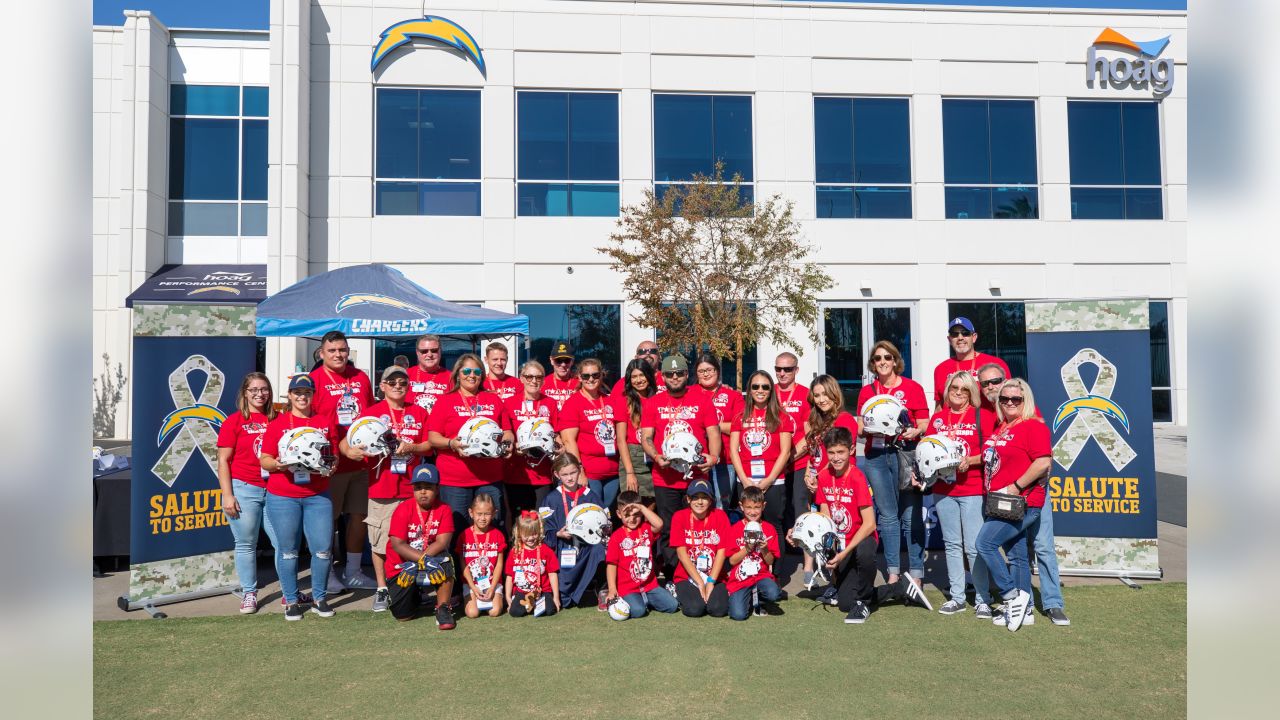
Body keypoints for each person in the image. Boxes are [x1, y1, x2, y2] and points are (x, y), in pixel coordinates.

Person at [802, 427, 930, 623]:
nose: (836, 458)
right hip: (842, 543)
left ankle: (863, 603)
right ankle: (900, 587)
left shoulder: (857, 478)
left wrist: (843, 553)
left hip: (861, 540)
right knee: (845, 604)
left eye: (841, 452)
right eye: (832, 452)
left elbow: (869, 525)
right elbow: (825, 517)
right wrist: (801, 533)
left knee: (864, 551)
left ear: (852, 450)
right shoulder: (824, 476)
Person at [976, 365, 1068, 625]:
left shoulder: (1032, 425)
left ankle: (1015, 597)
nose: (1008, 402)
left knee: (986, 543)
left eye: (1015, 399)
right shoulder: (1001, 427)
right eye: (1005, 399)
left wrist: (1015, 487)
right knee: (1016, 553)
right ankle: (1024, 609)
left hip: (1022, 500)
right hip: (1001, 501)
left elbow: (1042, 463)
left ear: (1025, 400)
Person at [258, 374, 354, 621]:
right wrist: (280, 464)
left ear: (313, 395)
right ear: (289, 396)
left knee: (322, 549)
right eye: (297, 392)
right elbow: (265, 459)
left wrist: (331, 466)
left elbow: (333, 454)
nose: (302, 396)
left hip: (317, 495)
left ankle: (319, 598)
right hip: (284, 495)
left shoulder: (324, 421)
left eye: (307, 392)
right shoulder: (278, 424)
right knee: (288, 551)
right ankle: (291, 600)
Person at [342, 365, 430, 613]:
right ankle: (382, 588)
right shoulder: (371, 413)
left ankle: (411, 585)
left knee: (414, 540)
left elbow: (429, 445)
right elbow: (349, 441)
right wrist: (351, 451)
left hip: (412, 488)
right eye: (392, 382)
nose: (398, 386)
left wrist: (411, 447)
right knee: (381, 542)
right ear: (382, 386)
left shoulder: (419, 412)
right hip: (381, 487)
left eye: (403, 382)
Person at [855, 340, 930, 595]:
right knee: (887, 516)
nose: (883, 362)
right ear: (872, 364)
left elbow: (924, 423)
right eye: (877, 358)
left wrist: (914, 430)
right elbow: (860, 430)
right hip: (877, 455)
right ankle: (894, 572)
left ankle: (916, 573)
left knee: (910, 515)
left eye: (887, 357)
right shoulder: (867, 392)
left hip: (906, 454)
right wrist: (871, 428)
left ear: (896, 360)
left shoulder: (912, 388)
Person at [308, 330, 377, 592]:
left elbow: (368, 414)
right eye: (333, 351)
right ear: (322, 353)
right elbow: (310, 424)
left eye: (342, 350)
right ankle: (326, 575)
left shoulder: (360, 377)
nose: (338, 355)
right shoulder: (314, 380)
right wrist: (341, 449)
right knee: (328, 521)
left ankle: (353, 571)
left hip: (361, 462)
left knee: (359, 517)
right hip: (332, 464)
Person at [640, 355, 722, 569]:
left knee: (697, 527)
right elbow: (646, 437)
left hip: (695, 478)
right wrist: (656, 457)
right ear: (663, 377)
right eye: (669, 374)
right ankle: (674, 576)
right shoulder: (652, 403)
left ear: (687, 374)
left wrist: (713, 457)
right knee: (668, 529)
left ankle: (699, 571)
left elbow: (713, 433)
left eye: (679, 373)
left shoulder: (702, 400)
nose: (674, 377)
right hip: (665, 477)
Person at [927, 371, 997, 617]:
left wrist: (972, 460)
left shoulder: (984, 416)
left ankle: (982, 598)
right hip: (943, 489)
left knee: (974, 546)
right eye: (954, 387)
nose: (957, 392)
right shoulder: (937, 419)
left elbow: (991, 451)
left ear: (971, 393)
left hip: (972, 488)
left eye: (964, 389)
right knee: (951, 544)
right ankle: (957, 596)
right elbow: (927, 450)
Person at [426, 353, 516, 532]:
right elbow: (433, 438)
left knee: (493, 527)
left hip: (490, 477)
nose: (471, 375)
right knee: (457, 529)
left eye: (477, 371)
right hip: (455, 479)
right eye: (466, 370)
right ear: (458, 374)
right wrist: (452, 444)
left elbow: (507, 431)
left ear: (482, 375)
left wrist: (507, 444)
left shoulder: (493, 399)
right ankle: (458, 561)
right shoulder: (445, 401)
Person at [216, 372, 282, 613]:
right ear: (245, 392)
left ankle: (288, 592)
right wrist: (227, 495)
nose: (259, 394)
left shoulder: (279, 419)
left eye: (264, 389)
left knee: (283, 544)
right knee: (246, 544)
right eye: (253, 389)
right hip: (245, 488)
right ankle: (249, 593)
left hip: (276, 489)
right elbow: (223, 461)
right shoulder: (234, 421)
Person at [798, 374, 858, 588]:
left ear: (834, 394)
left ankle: (840, 584)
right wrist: (807, 472)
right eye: (817, 395)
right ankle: (828, 581)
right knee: (820, 531)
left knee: (836, 533)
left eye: (825, 394)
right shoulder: (816, 421)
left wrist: (818, 476)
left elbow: (840, 458)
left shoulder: (845, 419)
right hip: (817, 485)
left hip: (837, 486)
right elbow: (814, 453)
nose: (821, 399)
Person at [383, 465, 457, 629]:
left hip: (429, 560)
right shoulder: (403, 508)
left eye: (428, 487)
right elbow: (397, 544)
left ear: (437, 489)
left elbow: (442, 542)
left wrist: (421, 562)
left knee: (446, 560)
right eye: (418, 488)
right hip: (403, 565)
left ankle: (443, 608)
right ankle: (416, 596)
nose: (423, 492)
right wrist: (422, 561)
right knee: (403, 616)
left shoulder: (444, 509)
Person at [727, 370, 793, 534]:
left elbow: (785, 452)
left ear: (771, 390)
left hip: (773, 481)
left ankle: (775, 561)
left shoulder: (781, 416)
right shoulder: (739, 416)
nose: (760, 390)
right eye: (755, 386)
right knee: (747, 526)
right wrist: (743, 480)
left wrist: (769, 480)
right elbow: (733, 450)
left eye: (765, 387)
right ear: (749, 389)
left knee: (773, 527)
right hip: (746, 479)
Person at [540, 453, 607, 609]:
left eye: (573, 473)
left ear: (580, 470)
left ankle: (602, 589)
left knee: (601, 549)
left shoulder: (590, 495)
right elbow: (542, 531)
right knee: (564, 601)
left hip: (586, 548)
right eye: (564, 474)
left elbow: (605, 524)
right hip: (562, 548)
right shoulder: (550, 498)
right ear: (557, 475)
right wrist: (557, 534)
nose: (569, 478)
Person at [558, 358, 623, 508]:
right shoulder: (573, 403)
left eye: (595, 375)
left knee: (609, 514)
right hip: (589, 471)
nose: (591, 379)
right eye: (586, 376)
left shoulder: (609, 400)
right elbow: (568, 440)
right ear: (579, 377)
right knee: (593, 511)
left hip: (613, 470)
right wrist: (579, 470)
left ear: (601, 376)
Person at [604, 491, 678, 618]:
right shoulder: (616, 537)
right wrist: (612, 589)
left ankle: (646, 601)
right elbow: (611, 565)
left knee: (672, 606)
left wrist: (642, 508)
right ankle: (630, 602)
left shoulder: (645, 529)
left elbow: (659, 524)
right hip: (628, 589)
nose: (632, 519)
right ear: (618, 514)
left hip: (650, 586)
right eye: (627, 515)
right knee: (638, 611)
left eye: (636, 514)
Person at [503, 360, 560, 518]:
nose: (534, 381)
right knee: (518, 521)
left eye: (538, 377)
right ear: (521, 378)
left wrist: (557, 447)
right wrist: (513, 445)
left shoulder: (550, 403)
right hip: (516, 473)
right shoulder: (509, 403)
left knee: (541, 520)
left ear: (543, 380)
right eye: (529, 377)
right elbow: (506, 433)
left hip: (542, 474)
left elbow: (556, 434)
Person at [669, 479, 730, 617]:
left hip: (714, 576)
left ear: (711, 500)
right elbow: (681, 554)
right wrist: (700, 582)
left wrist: (710, 582)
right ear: (688, 499)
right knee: (694, 610)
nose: (700, 502)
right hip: (687, 576)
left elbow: (722, 552)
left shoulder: (720, 516)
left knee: (718, 610)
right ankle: (675, 590)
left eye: (704, 498)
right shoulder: (679, 517)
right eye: (695, 497)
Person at [692, 354, 744, 511]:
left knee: (721, 507)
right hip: (695, 462)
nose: (706, 374)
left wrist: (712, 426)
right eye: (701, 371)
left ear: (718, 371)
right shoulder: (689, 393)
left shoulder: (733, 395)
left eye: (709, 369)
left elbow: (740, 427)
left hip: (725, 461)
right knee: (698, 506)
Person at [724, 486, 783, 621]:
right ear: (741, 506)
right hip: (740, 579)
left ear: (763, 506)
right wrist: (748, 548)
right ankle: (747, 599)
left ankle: (758, 599)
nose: (752, 511)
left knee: (774, 593)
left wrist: (764, 549)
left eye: (756, 507)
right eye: (748, 507)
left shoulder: (769, 528)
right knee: (738, 615)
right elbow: (732, 561)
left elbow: (770, 561)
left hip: (761, 575)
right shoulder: (735, 529)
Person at [932, 317, 1011, 408]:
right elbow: (939, 406)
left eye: (965, 333)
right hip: (953, 422)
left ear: (974, 337)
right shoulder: (941, 369)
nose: (960, 337)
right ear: (949, 339)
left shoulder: (995, 364)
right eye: (955, 334)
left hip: (987, 421)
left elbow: (1010, 399)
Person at [773, 352, 811, 529]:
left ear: (796, 370)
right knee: (777, 505)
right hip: (773, 461)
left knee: (798, 503)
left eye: (787, 369)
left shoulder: (806, 394)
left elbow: (809, 434)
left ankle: (802, 546)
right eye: (778, 369)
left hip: (798, 461)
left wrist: (789, 456)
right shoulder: (767, 392)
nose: (782, 373)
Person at [456, 493, 506, 619]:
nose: (483, 518)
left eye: (487, 514)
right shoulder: (464, 535)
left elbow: (499, 564)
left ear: (494, 513)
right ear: (471, 513)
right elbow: (463, 564)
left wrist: (493, 587)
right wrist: (473, 587)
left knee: (494, 612)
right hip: (472, 584)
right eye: (479, 514)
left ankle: (499, 597)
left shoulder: (498, 535)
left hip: (493, 583)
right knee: (472, 613)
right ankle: (468, 598)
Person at [505, 510, 561, 617]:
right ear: (519, 533)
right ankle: (529, 604)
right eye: (526, 535)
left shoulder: (546, 551)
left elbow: (552, 574)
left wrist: (556, 597)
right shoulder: (515, 552)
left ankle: (533, 605)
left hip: (542, 591)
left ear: (539, 532)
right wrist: (508, 597)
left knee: (550, 610)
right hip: (522, 591)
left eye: (534, 534)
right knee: (515, 612)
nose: (530, 538)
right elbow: (509, 576)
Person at [617, 359, 657, 503]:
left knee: (655, 504)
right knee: (636, 505)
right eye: (634, 377)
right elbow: (621, 440)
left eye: (642, 375)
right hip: (634, 457)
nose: (639, 380)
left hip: (656, 455)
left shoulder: (658, 398)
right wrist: (630, 472)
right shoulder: (625, 400)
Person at [406, 334, 452, 413]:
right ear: (417, 352)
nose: (429, 355)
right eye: (424, 351)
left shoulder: (451, 377)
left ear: (440, 351)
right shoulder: (406, 375)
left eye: (434, 350)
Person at [542, 339, 579, 409]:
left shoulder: (580, 384)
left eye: (567, 360)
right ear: (551, 361)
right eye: (558, 360)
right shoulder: (542, 383)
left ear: (572, 361)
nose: (563, 364)